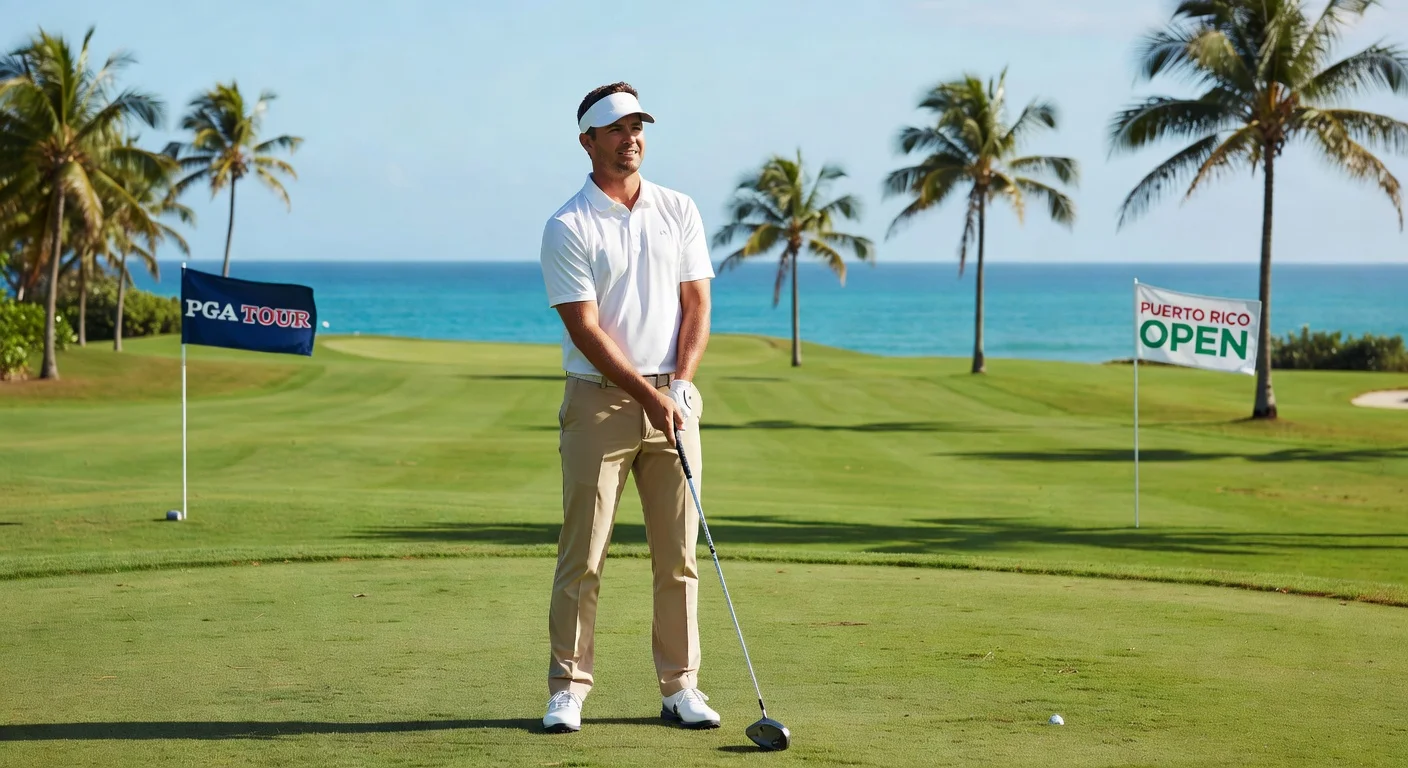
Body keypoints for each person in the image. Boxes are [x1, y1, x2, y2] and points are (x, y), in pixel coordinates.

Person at [538, 82, 718, 734]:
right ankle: (568, 689)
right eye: (615, 128)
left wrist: (678, 387)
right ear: (587, 140)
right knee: (583, 556)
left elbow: (697, 304)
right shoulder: (568, 226)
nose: (630, 136)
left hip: (674, 398)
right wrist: (651, 395)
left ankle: (681, 688)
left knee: (678, 557)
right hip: (600, 403)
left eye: (637, 124)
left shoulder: (679, 209)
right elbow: (586, 329)